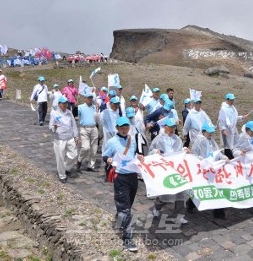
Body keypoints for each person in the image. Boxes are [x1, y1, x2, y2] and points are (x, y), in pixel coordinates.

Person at [102, 117, 144, 252]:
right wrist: (108, 160)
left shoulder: (132, 139)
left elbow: (134, 153)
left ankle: (120, 217)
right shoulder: (112, 142)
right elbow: (105, 155)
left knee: (128, 204)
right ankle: (127, 238)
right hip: (120, 177)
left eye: (126, 126)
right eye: (121, 127)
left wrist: (139, 157)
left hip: (133, 176)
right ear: (117, 128)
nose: (124, 129)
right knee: (125, 208)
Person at [150, 118, 189, 225]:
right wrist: (155, 151)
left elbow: (180, 151)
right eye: (170, 127)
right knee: (165, 192)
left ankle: (179, 215)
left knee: (181, 191)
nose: (172, 129)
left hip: (176, 169)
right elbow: (150, 151)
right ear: (165, 127)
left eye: (173, 127)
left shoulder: (178, 139)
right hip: (165, 169)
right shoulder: (159, 139)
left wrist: (185, 151)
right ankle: (157, 207)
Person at [189, 122, 229, 216]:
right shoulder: (199, 141)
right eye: (208, 132)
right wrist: (202, 161)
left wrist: (224, 158)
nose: (210, 134)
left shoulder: (212, 141)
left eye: (212, 132)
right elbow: (194, 155)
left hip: (213, 168)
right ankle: (191, 203)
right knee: (200, 187)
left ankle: (218, 211)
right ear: (203, 132)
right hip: (203, 169)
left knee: (217, 188)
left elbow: (217, 153)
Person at [49, 96, 80, 183]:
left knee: (74, 155)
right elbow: (50, 126)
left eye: (66, 103)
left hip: (70, 137)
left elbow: (73, 125)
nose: (65, 105)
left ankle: (66, 168)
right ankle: (62, 175)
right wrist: (54, 127)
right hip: (60, 139)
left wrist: (76, 136)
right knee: (60, 158)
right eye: (63, 103)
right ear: (59, 104)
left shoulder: (69, 113)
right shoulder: (54, 113)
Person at [218, 93, 247, 159]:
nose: (232, 101)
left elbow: (234, 118)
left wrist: (241, 117)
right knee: (227, 146)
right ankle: (228, 158)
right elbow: (221, 121)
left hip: (233, 129)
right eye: (231, 100)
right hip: (227, 130)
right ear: (227, 100)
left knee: (235, 144)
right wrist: (223, 129)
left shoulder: (233, 108)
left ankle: (235, 157)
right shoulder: (223, 109)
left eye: (233, 99)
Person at [77, 93, 99, 172]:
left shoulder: (95, 107)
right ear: (85, 98)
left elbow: (98, 118)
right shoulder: (80, 107)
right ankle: (79, 160)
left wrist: (97, 109)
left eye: (91, 98)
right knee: (86, 147)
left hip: (94, 128)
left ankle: (91, 165)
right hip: (84, 128)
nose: (90, 99)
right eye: (88, 98)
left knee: (94, 148)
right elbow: (75, 115)